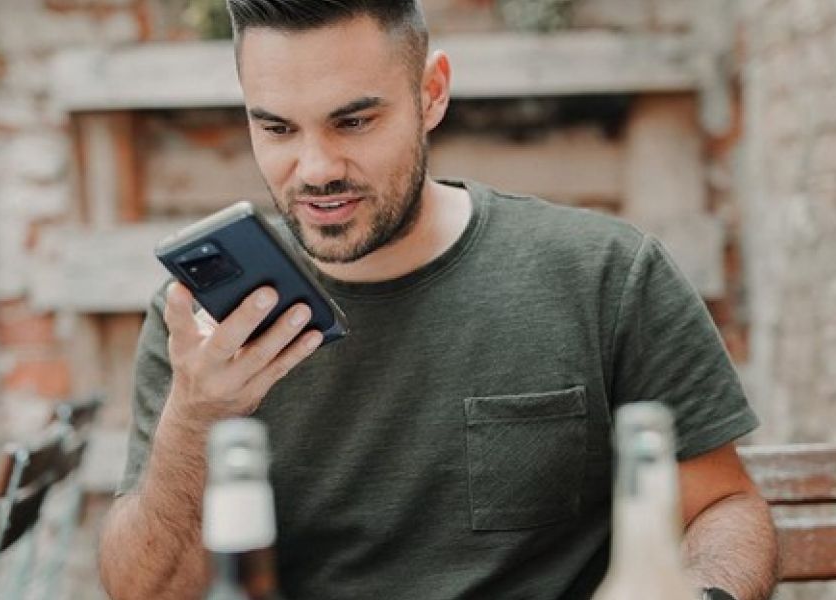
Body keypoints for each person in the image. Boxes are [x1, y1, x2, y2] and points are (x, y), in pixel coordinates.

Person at [99, 1, 778, 599]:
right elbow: (146, 592)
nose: (316, 169)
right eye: (278, 129)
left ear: (432, 93)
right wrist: (195, 421)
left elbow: (723, 508)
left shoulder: (604, 274)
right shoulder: (200, 325)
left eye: (354, 122)